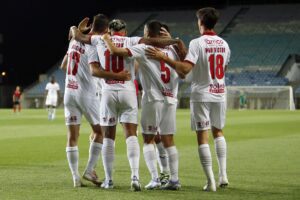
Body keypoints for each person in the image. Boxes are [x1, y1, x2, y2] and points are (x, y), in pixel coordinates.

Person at [145, 7, 231, 192]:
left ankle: (211, 182)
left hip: (202, 94)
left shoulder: (197, 43)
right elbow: (225, 67)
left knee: (203, 136)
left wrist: (162, 56)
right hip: (220, 92)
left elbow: (183, 70)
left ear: (200, 22)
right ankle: (223, 175)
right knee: (219, 132)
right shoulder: (224, 44)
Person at [101, 20, 186, 190]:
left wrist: (107, 39)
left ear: (147, 34)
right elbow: (184, 70)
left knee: (148, 139)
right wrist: (176, 42)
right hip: (171, 99)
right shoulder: (174, 51)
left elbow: (116, 51)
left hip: (153, 99)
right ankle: (174, 179)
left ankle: (155, 178)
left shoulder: (144, 48)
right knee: (168, 139)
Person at [61, 15, 131, 188]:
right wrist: (119, 75)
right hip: (87, 94)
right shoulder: (96, 42)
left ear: (91, 25)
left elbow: (63, 65)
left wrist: (75, 28)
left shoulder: (74, 42)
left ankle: (75, 177)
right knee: (101, 132)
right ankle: (90, 169)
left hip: (69, 92)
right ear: (106, 30)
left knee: (72, 137)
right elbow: (97, 69)